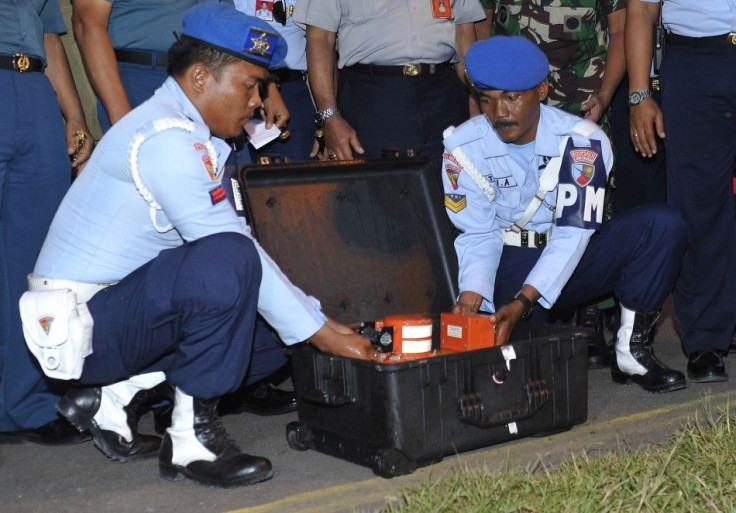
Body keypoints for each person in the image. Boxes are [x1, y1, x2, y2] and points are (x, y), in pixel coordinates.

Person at [22, 4, 383, 487]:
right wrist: (321, 330)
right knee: (230, 260)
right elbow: (230, 248)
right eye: (249, 84)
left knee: (274, 335)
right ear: (198, 80)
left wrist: (318, 319)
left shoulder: (197, 136)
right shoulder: (164, 138)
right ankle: (190, 441)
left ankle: (112, 397)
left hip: (113, 315)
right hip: (82, 329)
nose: (258, 101)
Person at [443, 36, 687, 393]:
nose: (499, 113)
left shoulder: (583, 143)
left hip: (572, 259)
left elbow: (573, 233)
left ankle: (631, 351)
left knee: (662, 226)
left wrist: (526, 299)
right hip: (508, 263)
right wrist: (471, 297)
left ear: (541, 90)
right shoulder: (462, 148)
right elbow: (478, 235)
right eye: (487, 99)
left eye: (512, 97)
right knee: (523, 383)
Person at [487, 0, 628, 368]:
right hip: (514, 112)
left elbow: (621, 31)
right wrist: (483, 101)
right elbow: (482, 31)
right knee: (525, 212)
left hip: (583, 108)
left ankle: (592, 319)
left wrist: (605, 95)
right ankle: (534, 310)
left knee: (589, 217)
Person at [626, 0, 736, 383]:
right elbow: (640, 8)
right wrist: (639, 94)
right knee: (699, 204)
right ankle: (706, 338)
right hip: (698, 59)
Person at [0, 0, 93, 445]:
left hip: (34, 90)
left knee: (33, 261)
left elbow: (49, 34)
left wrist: (73, 114)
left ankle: (25, 404)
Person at [292, 0, 486, 161]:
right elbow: (320, 38)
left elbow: (464, 34)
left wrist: (477, 100)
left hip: (444, 95)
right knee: (379, 193)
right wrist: (329, 116)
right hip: (372, 98)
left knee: (453, 191)